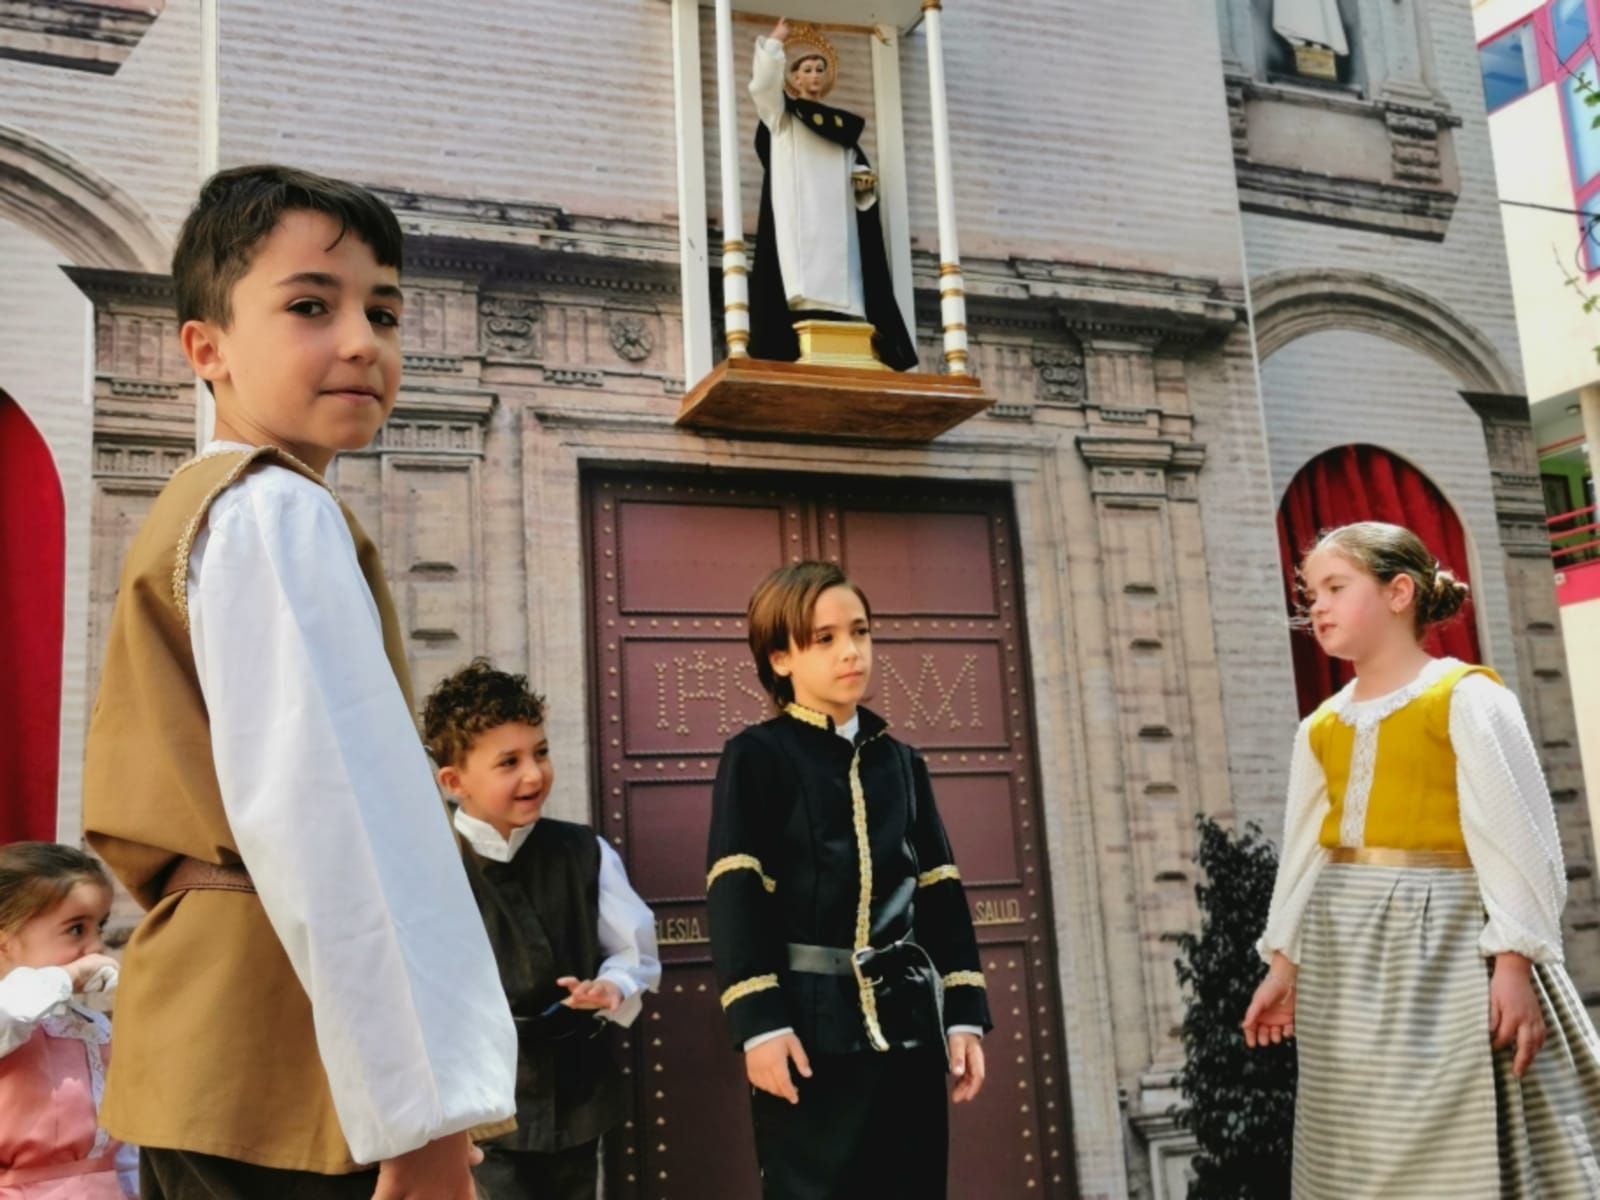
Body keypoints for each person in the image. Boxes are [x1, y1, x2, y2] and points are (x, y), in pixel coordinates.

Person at [82, 164, 516, 1200]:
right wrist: (423, 1116)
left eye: (385, 310)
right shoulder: (276, 512)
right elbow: (338, 824)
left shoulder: (209, 509)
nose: (363, 339)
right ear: (208, 348)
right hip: (287, 1050)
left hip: (212, 1038)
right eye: (311, 306)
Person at [1243, 521, 1600, 1199]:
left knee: (1449, 1128)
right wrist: (1283, 966)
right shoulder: (1319, 726)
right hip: (1344, 955)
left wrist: (1516, 962)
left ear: (1399, 591)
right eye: (1310, 591)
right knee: (1357, 1140)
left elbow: (1516, 836)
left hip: (1446, 947)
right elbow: (1303, 855)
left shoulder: (1466, 698)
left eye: (1336, 587)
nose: (1315, 605)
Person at [707, 560, 991, 1199]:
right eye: (825, 638)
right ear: (780, 658)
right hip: (809, 1038)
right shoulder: (757, 756)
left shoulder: (903, 762)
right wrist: (759, 1026)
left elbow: (940, 892)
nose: (851, 651)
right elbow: (736, 891)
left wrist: (964, 1015)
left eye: (860, 632)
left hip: (908, 1033)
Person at [423, 659, 661, 1199]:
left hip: (576, 1092)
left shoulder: (583, 852)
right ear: (454, 781)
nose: (534, 774)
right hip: (478, 1101)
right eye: (509, 762)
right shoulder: (428, 866)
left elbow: (633, 953)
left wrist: (611, 987)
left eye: (541, 753)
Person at [747, 18, 917, 371]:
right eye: (806, 69)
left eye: (819, 69)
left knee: (846, 270)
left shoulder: (844, 130)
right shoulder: (784, 118)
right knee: (803, 270)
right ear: (793, 79)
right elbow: (763, 88)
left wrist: (862, 186)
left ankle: (849, 323)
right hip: (800, 209)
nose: (813, 75)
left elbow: (856, 174)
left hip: (837, 220)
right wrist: (775, 43)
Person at [0, 843, 135, 1198]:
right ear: (4, 943)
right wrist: (67, 976)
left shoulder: (92, 1027)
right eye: (76, 930)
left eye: (100, 928)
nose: (96, 946)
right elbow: (12, 1011)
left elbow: (122, 1148)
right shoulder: (10, 1016)